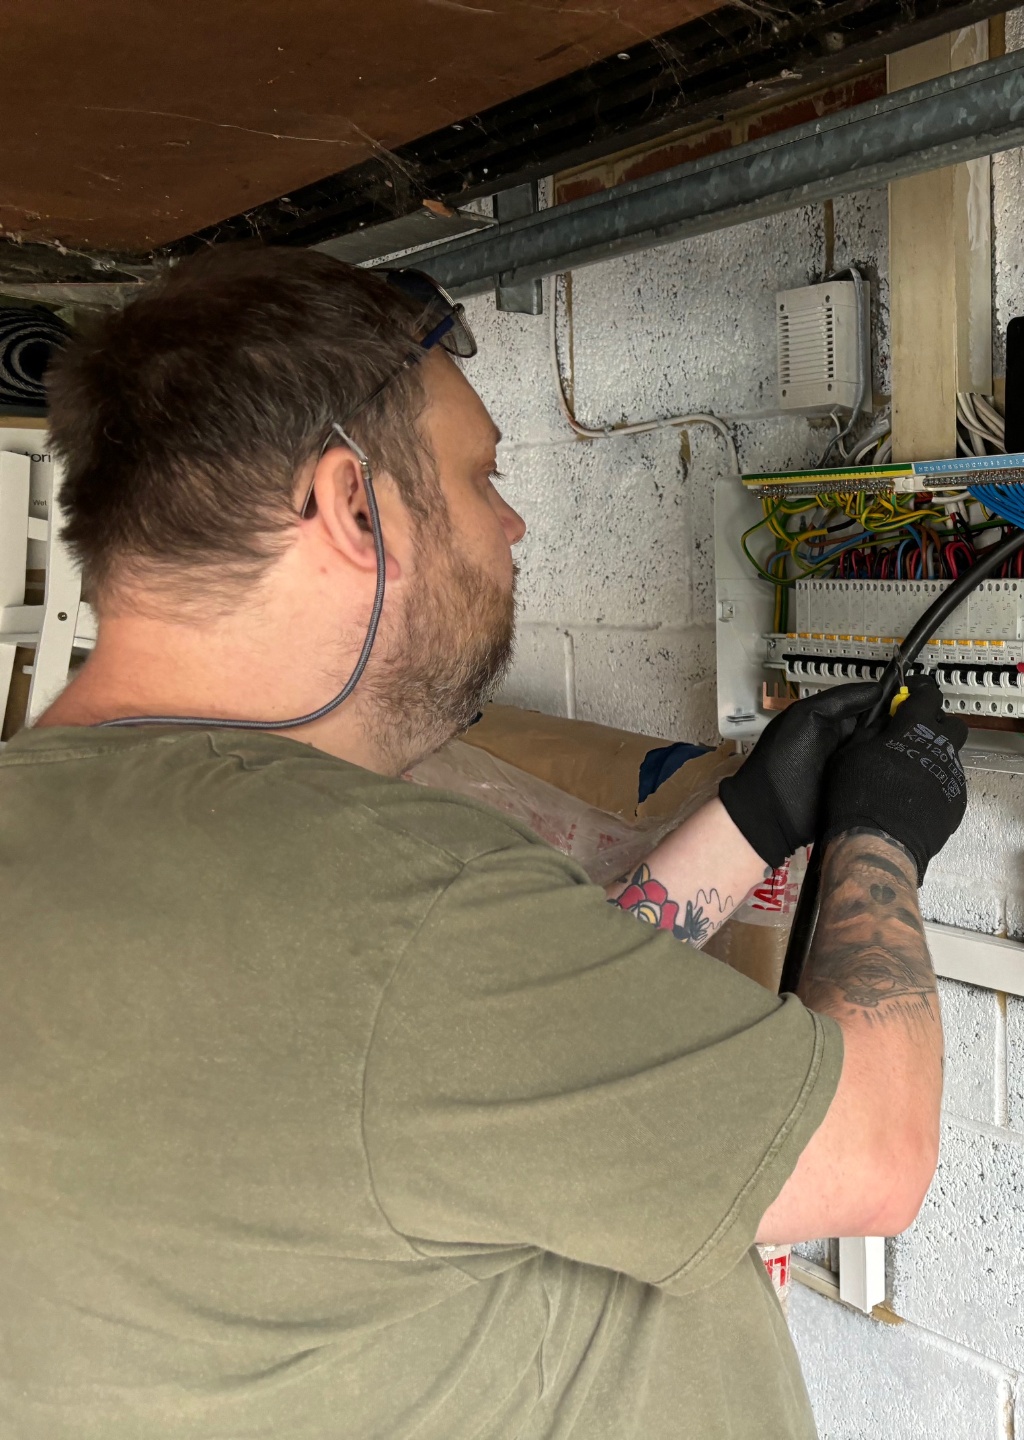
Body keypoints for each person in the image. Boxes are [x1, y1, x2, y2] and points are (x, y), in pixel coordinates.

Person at [0, 246, 968, 1438]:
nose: (510, 524)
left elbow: (463, 1083)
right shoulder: (395, 906)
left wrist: (757, 821)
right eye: (478, 476)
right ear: (352, 505)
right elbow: (872, 1149)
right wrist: (885, 833)